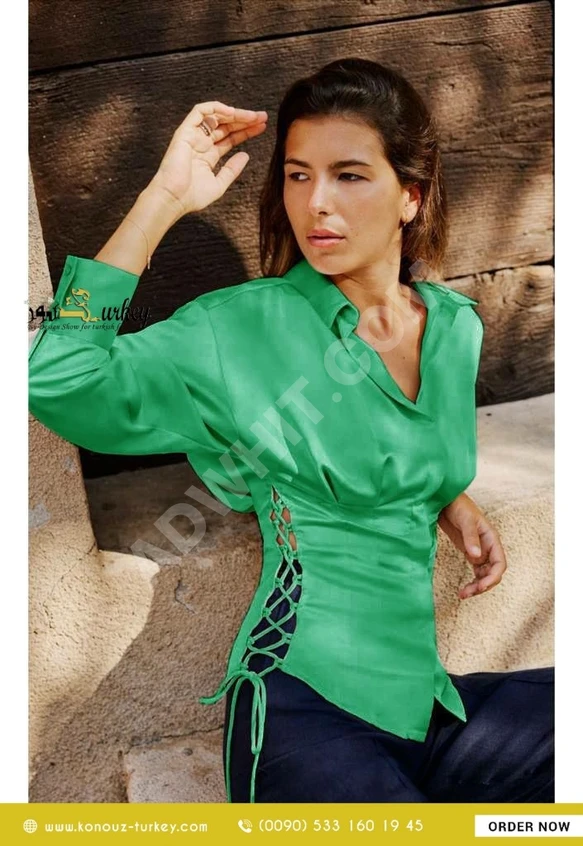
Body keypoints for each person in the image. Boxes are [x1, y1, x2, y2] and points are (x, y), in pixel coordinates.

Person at [28, 58, 554, 804]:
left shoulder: (452, 328)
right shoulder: (241, 328)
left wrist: (446, 495)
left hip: (428, 708)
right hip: (305, 714)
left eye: (348, 176)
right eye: (298, 176)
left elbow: (388, 440)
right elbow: (58, 380)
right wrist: (162, 199)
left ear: (410, 195)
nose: (317, 204)